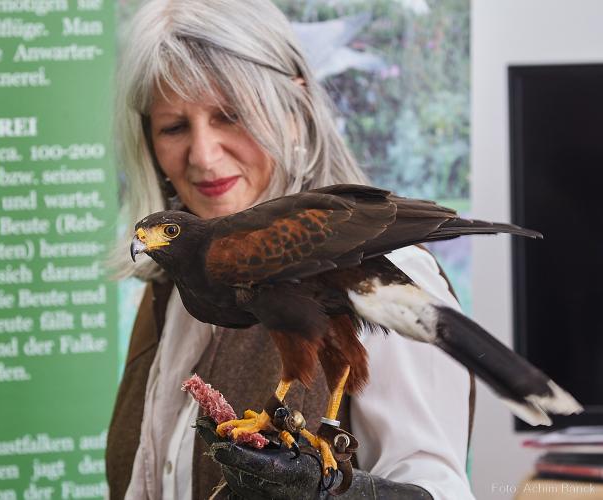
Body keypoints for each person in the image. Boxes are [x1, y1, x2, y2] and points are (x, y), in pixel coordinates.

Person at [106, 1, 476, 499]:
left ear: (296, 112)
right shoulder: (172, 289)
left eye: (230, 115)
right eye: (174, 127)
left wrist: (336, 495)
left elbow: (437, 490)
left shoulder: (378, 268)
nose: (204, 155)